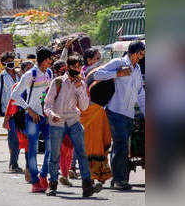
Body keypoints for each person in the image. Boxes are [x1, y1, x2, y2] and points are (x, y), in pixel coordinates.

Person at [44, 55, 102, 197]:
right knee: (55, 154)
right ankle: (52, 185)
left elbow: (84, 106)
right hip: (57, 121)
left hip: (73, 120)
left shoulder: (80, 84)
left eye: (78, 67)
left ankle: (87, 185)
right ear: (68, 67)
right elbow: (48, 104)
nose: (76, 70)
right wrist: (52, 115)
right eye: (74, 67)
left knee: (82, 152)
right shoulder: (57, 82)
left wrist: (80, 89)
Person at [93, 41, 145, 190]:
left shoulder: (136, 69)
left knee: (122, 146)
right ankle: (118, 179)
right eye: (141, 54)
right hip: (115, 111)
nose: (141, 57)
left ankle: (118, 178)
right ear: (134, 53)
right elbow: (98, 74)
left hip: (129, 114)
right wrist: (117, 73)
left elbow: (140, 93)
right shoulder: (118, 62)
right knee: (121, 143)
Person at [10, 47, 53, 192]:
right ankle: (35, 181)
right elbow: (15, 95)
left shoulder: (48, 74)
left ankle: (43, 176)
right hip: (32, 117)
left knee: (50, 147)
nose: (51, 62)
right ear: (44, 60)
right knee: (33, 150)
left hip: (46, 116)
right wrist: (29, 109)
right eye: (49, 60)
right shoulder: (30, 75)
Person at [79, 48, 113, 187]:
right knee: (90, 146)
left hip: (98, 112)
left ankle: (96, 175)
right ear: (89, 60)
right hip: (88, 112)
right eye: (97, 58)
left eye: (100, 58)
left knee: (98, 143)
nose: (100, 61)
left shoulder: (99, 72)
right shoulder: (88, 74)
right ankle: (89, 178)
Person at [0, 51, 21, 171]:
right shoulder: (0, 77)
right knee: (13, 138)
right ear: (3, 64)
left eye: (11, 61)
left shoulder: (19, 76)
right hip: (9, 112)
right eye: (7, 62)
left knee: (19, 138)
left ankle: (15, 162)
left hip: (21, 110)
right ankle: (13, 164)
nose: (10, 63)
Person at [3, 60, 34, 178]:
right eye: (28, 69)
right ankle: (14, 163)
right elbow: (11, 104)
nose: (31, 72)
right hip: (16, 119)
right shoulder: (17, 86)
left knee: (29, 144)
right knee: (14, 143)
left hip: (31, 119)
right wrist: (6, 119)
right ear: (22, 72)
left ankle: (29, 168)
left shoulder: (37, 86)